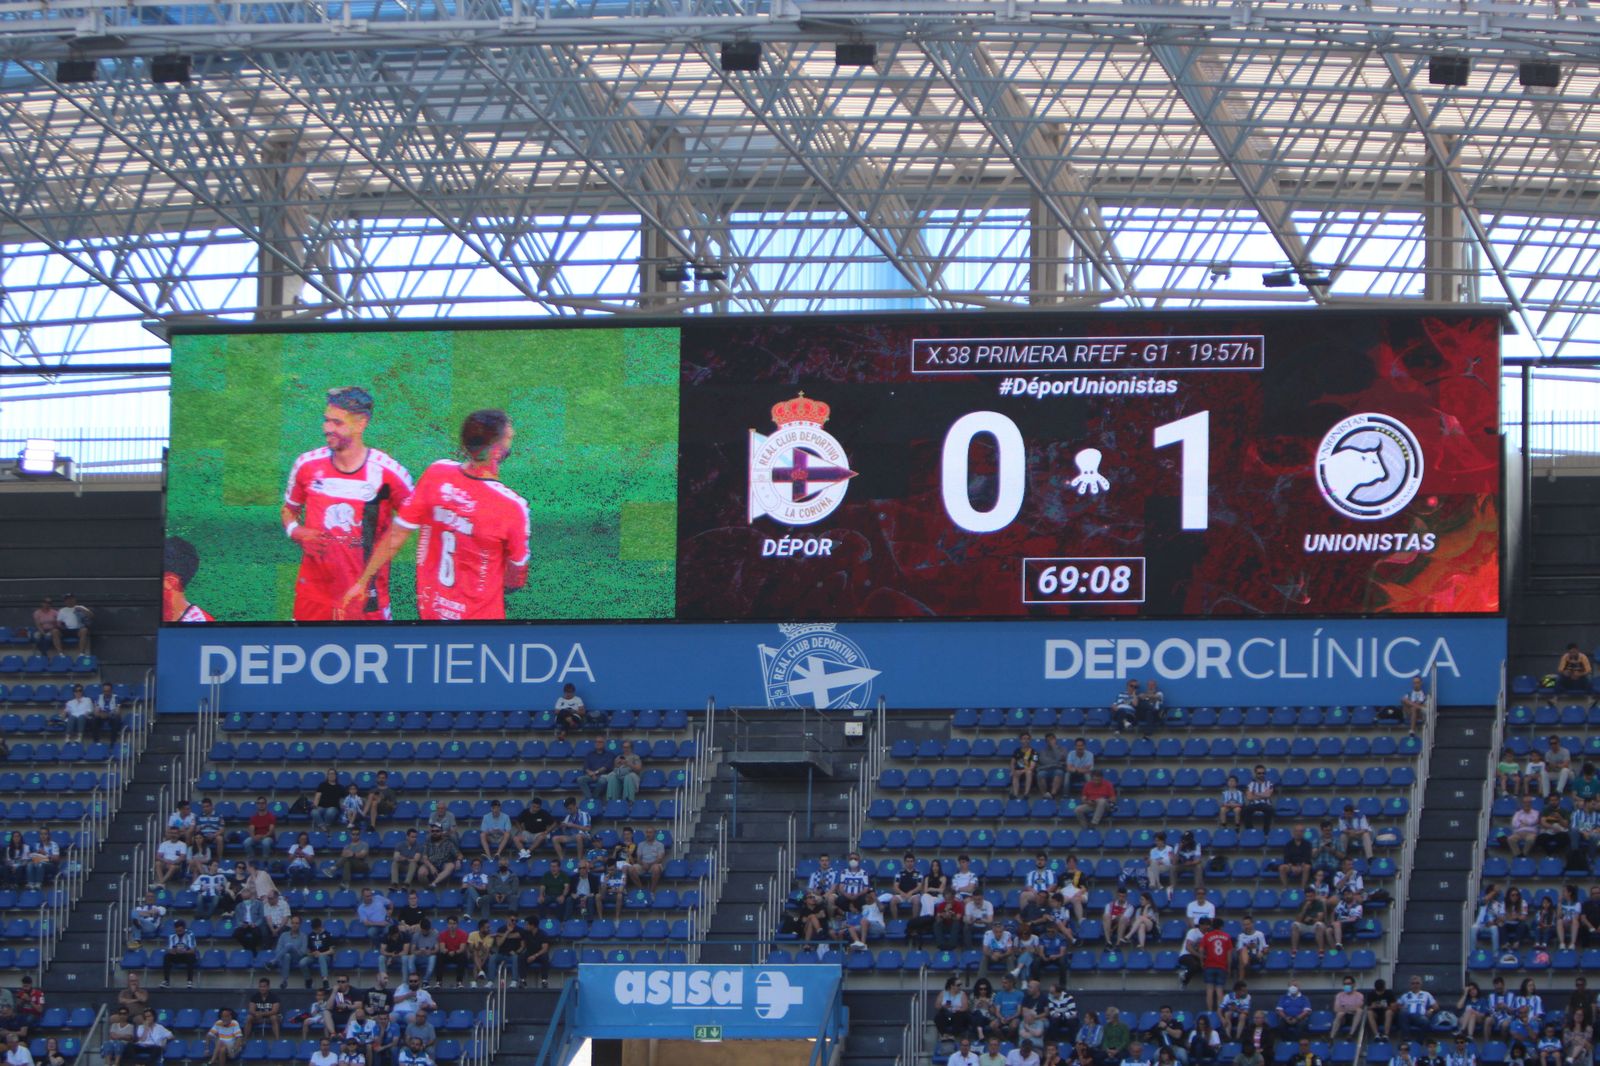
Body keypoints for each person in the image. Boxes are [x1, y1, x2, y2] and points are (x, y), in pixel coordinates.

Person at [340, 408, 529, 621]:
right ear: (496, 451)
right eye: (509, 436)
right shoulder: (511, 507)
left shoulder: (437, 474)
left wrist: (363, 581)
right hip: (480, 623)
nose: (512, 436)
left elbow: (397, 533)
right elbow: (516, 575)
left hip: (431, 613)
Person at [281, 386, 414, 621]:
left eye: (337, 422)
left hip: (365, 598)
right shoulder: (307, 465)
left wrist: (367, 576)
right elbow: (289, 510)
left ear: (361, 423)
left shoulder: (389, 474)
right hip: (313, 596)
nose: (327, 428)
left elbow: (408, 523)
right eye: (326, 420)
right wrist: (296, 531)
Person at [1200, 919, 1233, 1012]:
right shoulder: (1227, 936)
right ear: (1221, 926)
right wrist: (1229, 967)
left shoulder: (1207, 936)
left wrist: (1201, 962)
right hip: (1221, 966)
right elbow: (1229, 954)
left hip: (1209, 965)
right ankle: (1219, 1012)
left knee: (1209, 990)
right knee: (1219, 990)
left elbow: (1201, 950)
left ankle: (1210, 1011)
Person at [162, 919, 199, 988]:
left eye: (180, 931)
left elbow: (193, 950)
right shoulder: (171, 936)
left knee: (191, 956)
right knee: (166, 956)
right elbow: (169, 950)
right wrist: (175, 951)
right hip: (177, 955)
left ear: (184, 929)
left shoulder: (190, 935)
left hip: (186, 955)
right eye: (177, 931)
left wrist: (184, 951)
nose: (179, 932)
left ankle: (189, 981)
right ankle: (166, 981)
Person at [1243, 766, 1276, 831]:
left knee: (1270, 810)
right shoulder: (1251, 784)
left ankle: (1266, 832)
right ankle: (1250, 831)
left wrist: (1255, 793)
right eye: (1259, 773)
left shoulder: (1269, 783)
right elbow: (1249, 797)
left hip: (1265, 804)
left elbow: (1268, 795)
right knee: (1245, 810)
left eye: (1263, 773)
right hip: (1253, 805)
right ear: (1255, 773)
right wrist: (1263, 794)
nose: (1261, 775)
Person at [1012, 734, 1040, 798]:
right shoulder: (1017, 751)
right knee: (1015, 773)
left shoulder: (1034, 752)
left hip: (1029, 771)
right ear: (1020, 740)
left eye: (1028, 739)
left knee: (1029, 772)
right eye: (1024, 739)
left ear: (1030, 740)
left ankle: (1026, 794)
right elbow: (1012, 763)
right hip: (1019, 770)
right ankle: (1015, 794)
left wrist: (1022, 771)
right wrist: (1013, 771)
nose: (1026, 740)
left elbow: (1032, 767)